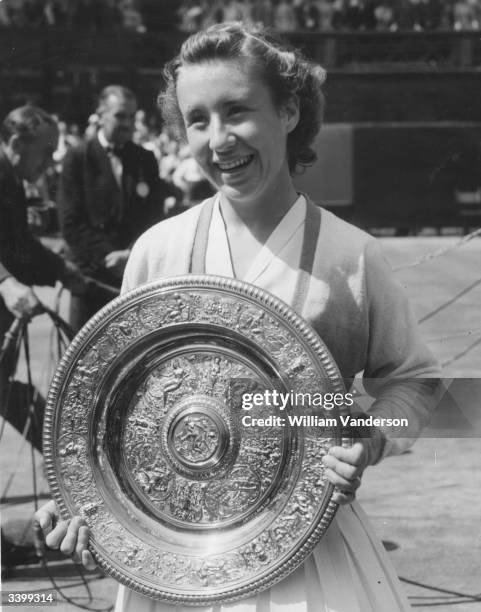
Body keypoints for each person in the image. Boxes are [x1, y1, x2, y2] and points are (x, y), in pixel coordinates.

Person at [36, 23, 440, 611]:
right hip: (175, 566)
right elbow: (120, 415)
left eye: (237, 111)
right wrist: (82, 505)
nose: (219, 139)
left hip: (309, 560)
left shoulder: (350, 256)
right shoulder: (159, 250)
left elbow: (418, 384)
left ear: (290, 111)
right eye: (197, 119)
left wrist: (370, 437)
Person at [57, 85, 178, 332]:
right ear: (101, 114)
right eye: (120, 116)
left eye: (132, 117)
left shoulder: (144, 158)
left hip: (134, 278)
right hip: (92, 280)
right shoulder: (77, 157)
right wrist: (107, 258)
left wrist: (132, 255)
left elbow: (155, 217)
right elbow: (71, 222)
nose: (128, 123)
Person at [0, 105, 86, 452]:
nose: (50, 163)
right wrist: (4, 282)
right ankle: (63, 457)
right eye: (47, 151)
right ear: (18, 141)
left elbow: (19, 245)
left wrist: (61, 271)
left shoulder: (12, 180)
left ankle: (61, 457)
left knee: (4, 386)